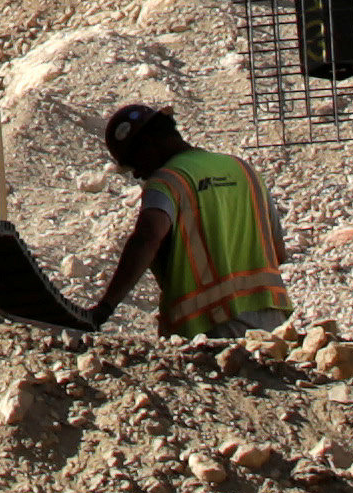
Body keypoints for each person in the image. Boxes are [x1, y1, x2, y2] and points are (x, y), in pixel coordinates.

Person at [87, 99, 294, 338]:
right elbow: (278, 253)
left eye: (134, 164)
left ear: (147, 144)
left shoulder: (167, 182)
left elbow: (147, 238)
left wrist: (105, 307)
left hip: (210, 327)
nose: (137, 174)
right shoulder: (244, 170)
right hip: (272, 324)